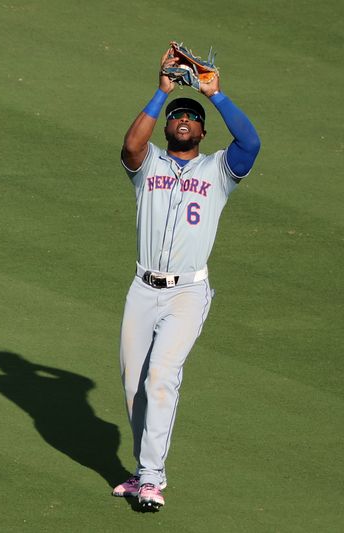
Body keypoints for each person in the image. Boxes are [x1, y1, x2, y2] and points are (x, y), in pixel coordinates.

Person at [112, 48, 261, 510]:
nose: (182, 119)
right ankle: (142, 473)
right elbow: (130, 147)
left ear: (201, 130)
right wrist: (163, 92)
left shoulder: (218, 171)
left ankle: (153, 478)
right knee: (134, 385)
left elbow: (251, 144)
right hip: (142, 288)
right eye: (177, 114)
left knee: (161, 377)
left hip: (187, 293)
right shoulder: (149, 165)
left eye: (191, 117)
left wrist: (214, 95)